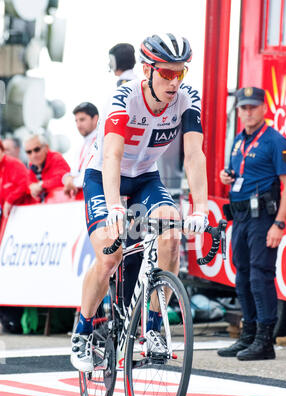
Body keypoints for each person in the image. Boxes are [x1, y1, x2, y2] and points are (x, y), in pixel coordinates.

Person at [71, 33, 209, 372]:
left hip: (146, 176)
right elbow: (113, 156)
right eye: (166, 73)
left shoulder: (187, 98)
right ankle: (83, 329)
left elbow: (194, 155)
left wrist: (201, 208)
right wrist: (116, 206)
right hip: (104, 176)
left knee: (171, 233)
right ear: (147, 70)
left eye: (181, 73)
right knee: (110, 253)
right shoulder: (124, 98)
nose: (174, 81)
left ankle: (153, 326)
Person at [217, 86, 286, 361]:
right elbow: (240, 173)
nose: (248, 112)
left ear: (264, 108)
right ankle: (248, 334)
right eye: (243, 107)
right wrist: (227, 176)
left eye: (253, 107)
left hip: (263, 218)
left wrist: (279, 224)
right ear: (238, 110)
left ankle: (265, 341)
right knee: (241, 276)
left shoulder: (275, 141)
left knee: (260, 276)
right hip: (240, 218)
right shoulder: (239, 140)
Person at [63, 102, 99, 197]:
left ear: (95, 119)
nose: (78, 125)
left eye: (82, 120)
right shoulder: (81, 146)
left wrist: (72, 181)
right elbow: (74, 173)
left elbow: (92, 176)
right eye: (76, 121)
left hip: (98, 198)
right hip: (83, 198)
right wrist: (67, 178)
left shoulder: (103, 141)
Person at [25, 134, 71, 202]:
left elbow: (63, 178)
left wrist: (40, 185)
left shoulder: (56, 158)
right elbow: (27, 185)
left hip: (63, 203)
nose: (33, 155)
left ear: (46, 148)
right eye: (29, 152)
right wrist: (31, 187)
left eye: (37, 149)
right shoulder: (32, 166)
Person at [0, 139, 33, 219]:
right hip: (8, 217)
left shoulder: (14, 164)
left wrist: (10, 200)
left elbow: (26, 184)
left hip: (24, 212)